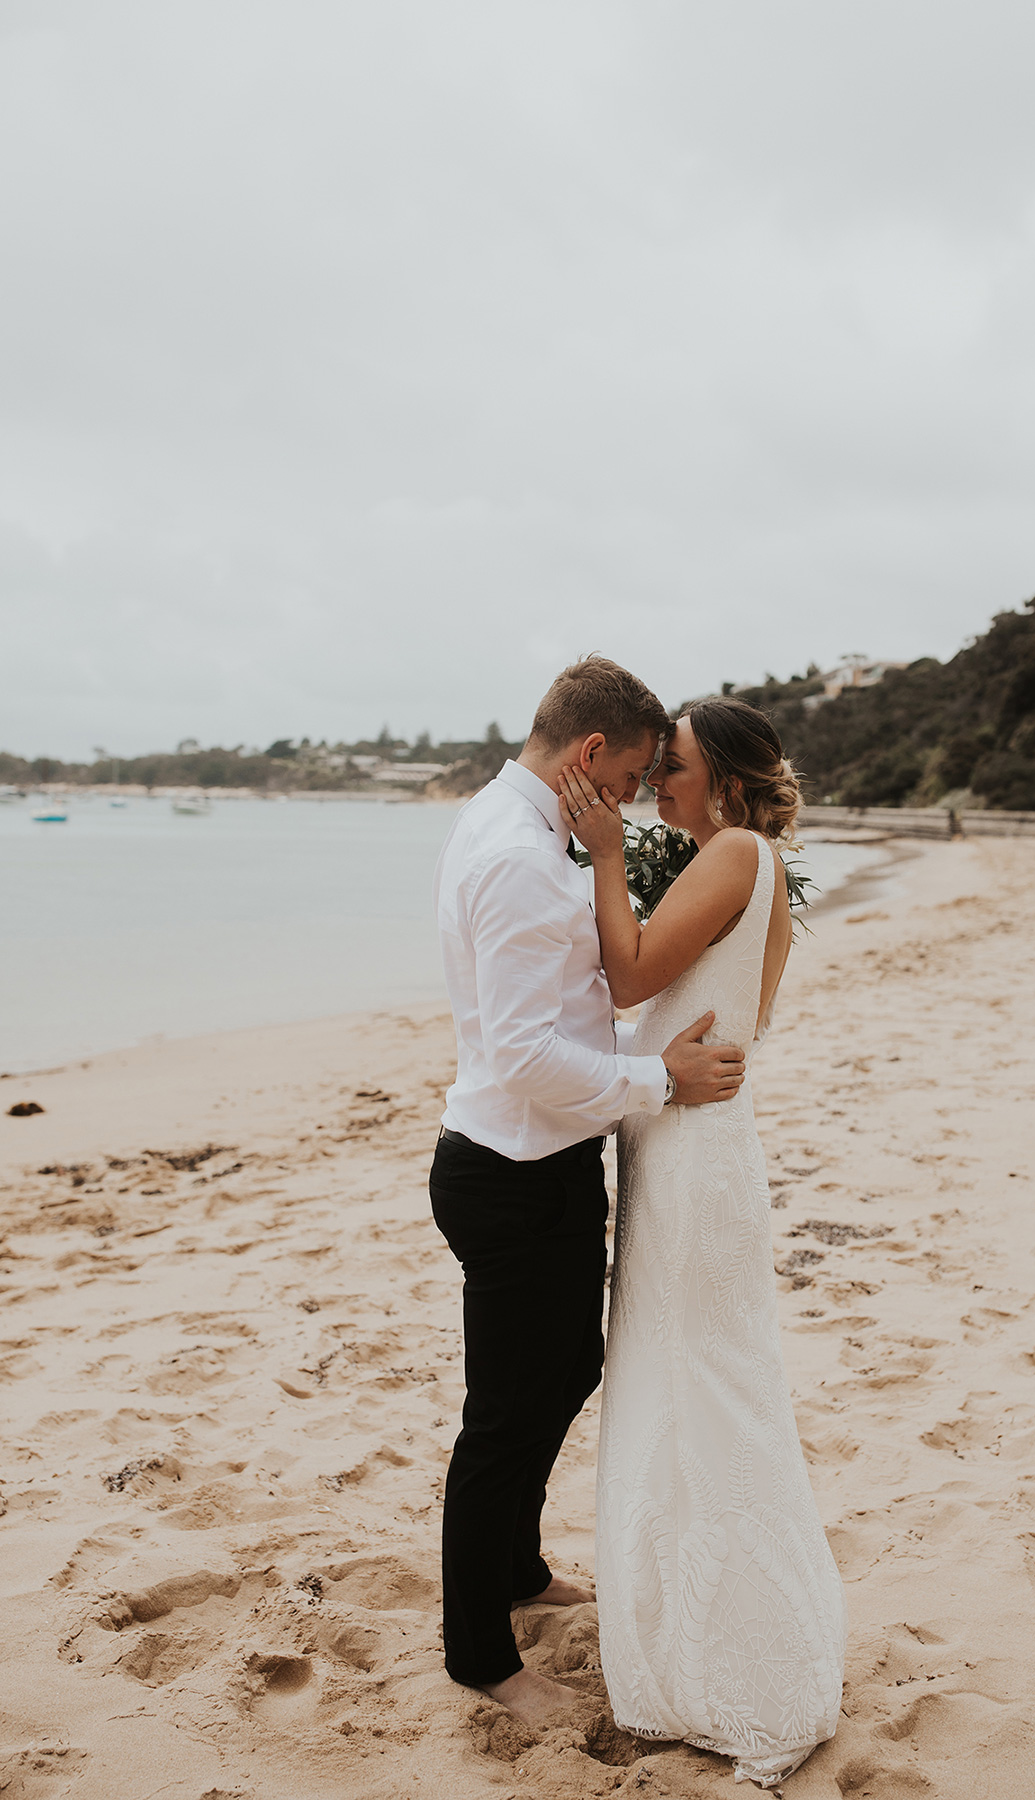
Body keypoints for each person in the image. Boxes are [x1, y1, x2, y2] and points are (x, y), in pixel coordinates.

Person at [429, 657, 748, 1728]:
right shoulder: (519, 857)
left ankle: (516, 1569)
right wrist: (661, 1078)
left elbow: (561, 1008)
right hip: (514, 1171)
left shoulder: (513, 825)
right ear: (589, 755)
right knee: (506, 1418)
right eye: (628, 778)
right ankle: (481, 1657)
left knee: (562, 1367)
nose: (629, 799)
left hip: (537, 1161)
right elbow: (524, 1055)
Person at [559, 696, 846, 1788]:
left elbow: (630, 976)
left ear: (722, 776)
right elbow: (718, 1013)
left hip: (691, 1163)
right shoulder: (749, 859)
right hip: (697, 1150)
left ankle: (739, 1666)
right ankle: (704, 1644)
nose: (652, 785)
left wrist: (600, 850)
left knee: (697, 1394)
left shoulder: (727, 852)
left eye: (669, 766)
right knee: (701, 1389)